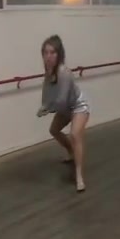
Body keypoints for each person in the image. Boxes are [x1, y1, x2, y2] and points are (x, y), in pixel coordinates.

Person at [37, 35, 90, 193]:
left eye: (52, 52)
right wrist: (44, 106)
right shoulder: (48, 73)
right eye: (46, 53)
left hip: (78, 106)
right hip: (65, 108)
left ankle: (79, 175)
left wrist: (49, 108)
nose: (49, 56)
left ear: (59, 54)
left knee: (75, 135)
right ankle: (71, 152)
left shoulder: (64, 72)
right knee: (54, 130)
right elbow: (46, 95)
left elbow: (61, 101)